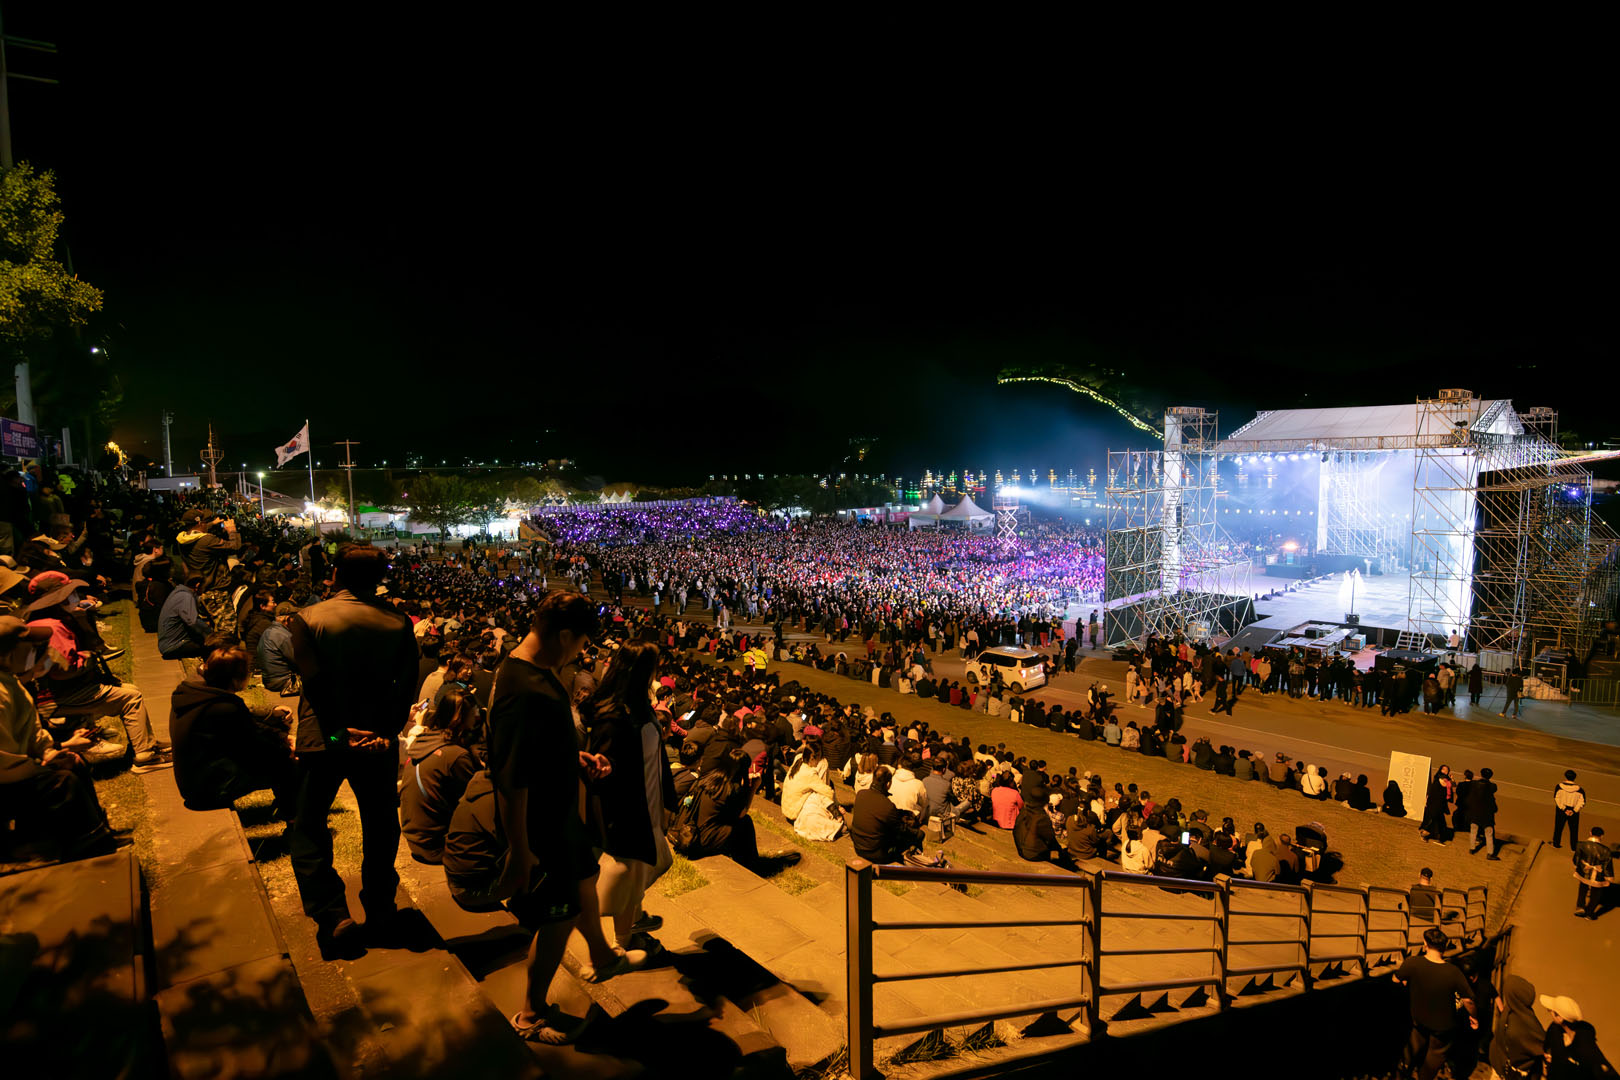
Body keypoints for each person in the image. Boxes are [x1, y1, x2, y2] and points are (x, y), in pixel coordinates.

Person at [488, 591, 644, 1045]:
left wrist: (574, 758)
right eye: (580, 643)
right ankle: (531, 1014)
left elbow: (534, 749)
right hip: (543, 827)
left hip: (558, 813)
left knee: (584, 880)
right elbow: (511, 778)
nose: (580, 653)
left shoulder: (533, 672)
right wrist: (520, 851)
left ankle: (602, 953)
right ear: (563, 635)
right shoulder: (524, 688)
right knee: (558, 916)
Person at [286, 545, 421, 959]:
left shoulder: (307, 618)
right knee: (380, 825)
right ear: (379, 580)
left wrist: (337, 734)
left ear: (335, 574)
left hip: (325, 738)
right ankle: (380, 907)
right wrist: (387, 733)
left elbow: (314, 683)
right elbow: (406, 685)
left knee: (308, 824)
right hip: (376, 740)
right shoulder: (398, 622)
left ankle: (331, 913)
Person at [0, 616, 125, 859]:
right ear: (8, 654)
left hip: (17, 769)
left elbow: (33, 732)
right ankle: (88, 845)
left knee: (74, 763)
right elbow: (5, 761)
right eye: (28, 646)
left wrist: (50, 751)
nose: (34, 651)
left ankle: (100, 834)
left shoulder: (11, 681)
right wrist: (42, 766)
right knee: (61, 782)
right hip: (7, 779)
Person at [582, 641, 674, 956]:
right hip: (629, 810)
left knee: (651, 863)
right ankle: (621, 944)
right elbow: (601, 769)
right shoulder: (614, 716)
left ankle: (633, 917)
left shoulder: (637, 705)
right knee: (630, 872)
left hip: (648, 800)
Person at [168, 644, 297, 814]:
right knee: (286, 763)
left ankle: (286, 806)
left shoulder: (194, 692)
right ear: (236, 678)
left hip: (193, 779)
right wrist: (288, 750)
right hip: (207, 788)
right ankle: (294, 819)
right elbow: (255, 743)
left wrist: (282, 737)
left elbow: (249, 725)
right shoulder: (223, 707)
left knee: (276, 751)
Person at [399, 688, 482, 865]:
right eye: (474, 712)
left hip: (416, 841)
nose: (477, 717)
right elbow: (474, 801)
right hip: (437, 846)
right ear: (462, 719)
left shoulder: (424, 741)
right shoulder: (456, 756)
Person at [1392, 926, 1477, 1080]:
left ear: (1425, 944)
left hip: (1419, 1019)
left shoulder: (1412, 963)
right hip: (1443, 1027)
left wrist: (1407, 982)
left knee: (1412, 1048)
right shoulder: (1453, 972)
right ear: (1444, 947)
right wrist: (1474, 1017)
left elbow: (1396, 980)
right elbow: (1468, 1001)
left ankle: (1401, 1073)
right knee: (1435, 1055)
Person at [851, 767, 922, 864]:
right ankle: (913, 862)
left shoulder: (860, 794)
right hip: (876, 853)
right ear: (888, 784)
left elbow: (877, 810)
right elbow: (901, 830)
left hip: (858, 847)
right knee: (917, 835)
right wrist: (917, 832)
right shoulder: (887, 805)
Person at [1540, 994, 1612, 1079]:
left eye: (1551, 1011)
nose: (1549, 1011)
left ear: (1559, 1018)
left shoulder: (1585, 1046)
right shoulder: (1555, 1031)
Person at [1488, 975, 1545, 1080]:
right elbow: (1543, 1047)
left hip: (1500, 1065)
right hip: (1510, 1072)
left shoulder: (1510, 1013)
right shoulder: (1523, 1021)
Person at [1573, 827, 1611, 921]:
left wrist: (1578, 866)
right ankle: (1590, 913)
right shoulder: (1606, 850)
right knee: (1596, 893)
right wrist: (1609, 877)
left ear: (1590, 833)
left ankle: (1580, 907)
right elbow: (1607, 866)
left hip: (1584, 871)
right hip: (1598, 874)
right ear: (1602, 836)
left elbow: (1576, 859)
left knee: (1583, 888)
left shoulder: (1581, 845)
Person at [1467, 767, 1500, 859]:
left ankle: (1472, 848)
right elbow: (1494, 790)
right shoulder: (1492, 786)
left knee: (1473, 831)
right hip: (1486, 814)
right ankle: (1490, 853)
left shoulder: (1474, 784)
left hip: (1475, 811)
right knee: (1489, 833)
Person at [1554, 770, 1586, 849]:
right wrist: (1574, 810)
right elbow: (1582, 802)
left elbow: (1557, 798)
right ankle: (1573, 846)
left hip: (1561, 810)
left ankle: (1556, 843)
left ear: (1565, 776)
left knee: (1558, 828)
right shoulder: (1580, 789)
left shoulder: (1559, 786)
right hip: (1573, 811)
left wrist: (1564, 809)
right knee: (1574, 830)